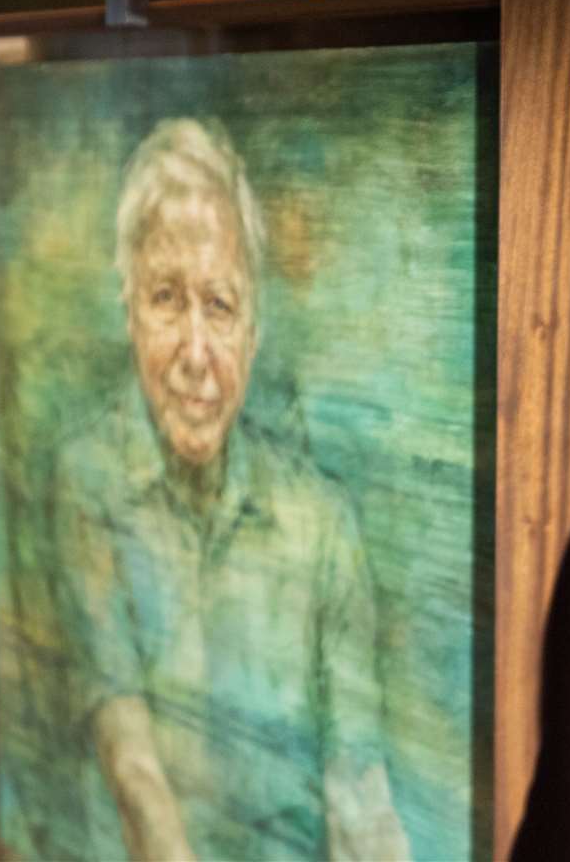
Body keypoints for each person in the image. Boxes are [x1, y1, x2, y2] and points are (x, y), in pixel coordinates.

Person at [50, 118, 411, 861]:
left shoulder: (321, 524)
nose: (195, 354)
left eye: (218, 305)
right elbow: (131, 761)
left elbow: (358, 783)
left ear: (254, 330)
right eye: (164, 298)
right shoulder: (87, 481)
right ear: (127, 312)